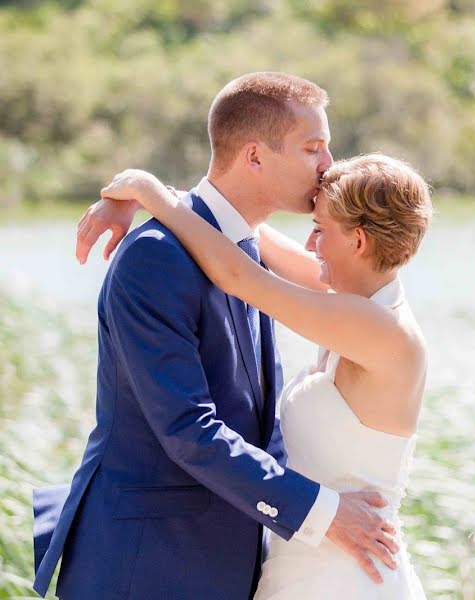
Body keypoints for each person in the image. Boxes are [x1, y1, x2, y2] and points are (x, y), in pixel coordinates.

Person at [33, 72, 400, 600]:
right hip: (146, 564)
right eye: (312, 147)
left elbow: (253, 417)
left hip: (224, 562)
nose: (328, 165)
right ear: (254, 156)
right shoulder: (156, 257)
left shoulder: (245, 249)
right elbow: (187, 428)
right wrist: (323, 512)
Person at [89, 152, 432, 598]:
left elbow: (238, 275)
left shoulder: (378, 328)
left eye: (320, 230)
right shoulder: (362, 296)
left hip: (347, 575)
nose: (310, 245)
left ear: (359, 241)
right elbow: (239, 228)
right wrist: (163, 201)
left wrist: (145, 189)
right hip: (307, 560)